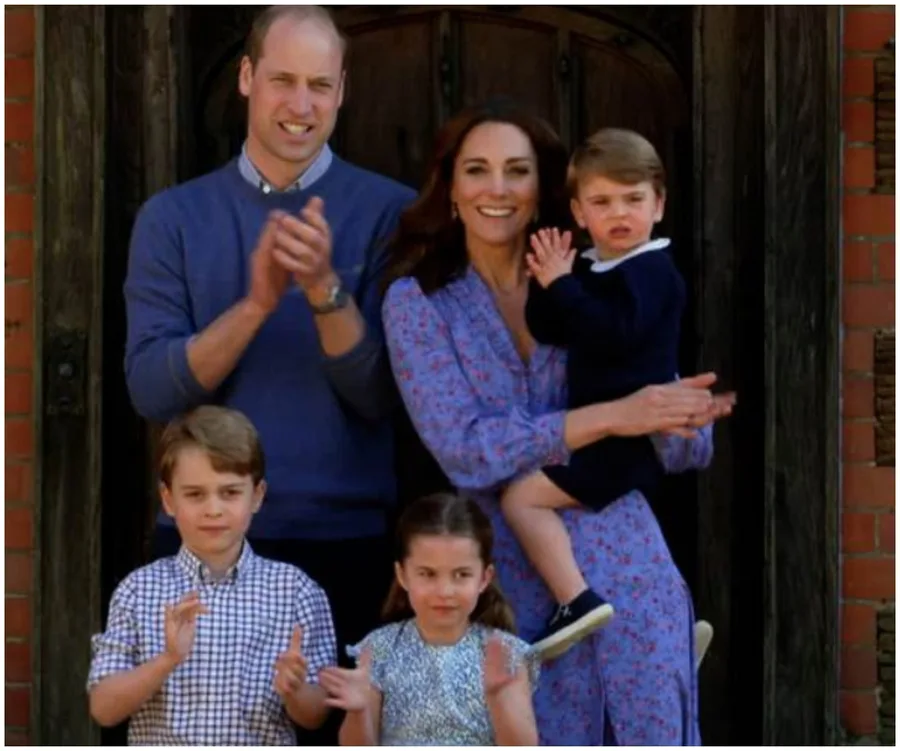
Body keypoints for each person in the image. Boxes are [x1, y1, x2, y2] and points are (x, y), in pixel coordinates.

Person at [381, 99, 735, 745]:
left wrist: (683, 418)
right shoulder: (418, 303)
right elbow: (465, 450)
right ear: (451, 188)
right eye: (477, 170)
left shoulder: (596, 276)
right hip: (506, 581)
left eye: (516, 170)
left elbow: (676, 436)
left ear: (542, 189)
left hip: (630, 565)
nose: (497, 188)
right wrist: (610, 417)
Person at [122, 8, 415, 742]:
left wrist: (323, 291)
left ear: (343, 90)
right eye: (282, 80)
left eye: (320, 84)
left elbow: (383, 395)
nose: (301, 104)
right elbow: (152, 391)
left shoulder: (391, 214)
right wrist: (255, 304)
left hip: (346, 545)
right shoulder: (172, 217)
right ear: (247, 78)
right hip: (201, 550)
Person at [498, 128, 688, 659]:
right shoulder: (594, 268)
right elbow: (551, 327)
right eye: (602, 202)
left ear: (659, 204)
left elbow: (612, 333)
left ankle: (575, 600)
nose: (619, 213)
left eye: (633, 199)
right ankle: (665, 636)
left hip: (626, 443)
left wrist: (565, 285)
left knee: (521, 498)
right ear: (580, 213)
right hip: (600, 434)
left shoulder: (653, 271)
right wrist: (549, 281)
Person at [87, 406, 338, 745]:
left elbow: (317, 715)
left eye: (230, 492)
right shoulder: (138, 590)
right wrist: (167, 660)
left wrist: (294, 690)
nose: (213, 509)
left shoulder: (296, 591)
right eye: (194, 494)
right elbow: (103, 708)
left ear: (257, 496)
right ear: (168, 500)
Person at [318, 493, 539, 746]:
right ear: (402, 575)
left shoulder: (504, 653)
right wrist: (359, 711)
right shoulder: (379, 649)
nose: (445, 591)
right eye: (428, 574)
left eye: (461, 574)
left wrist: (500, 700)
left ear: (484, 578)